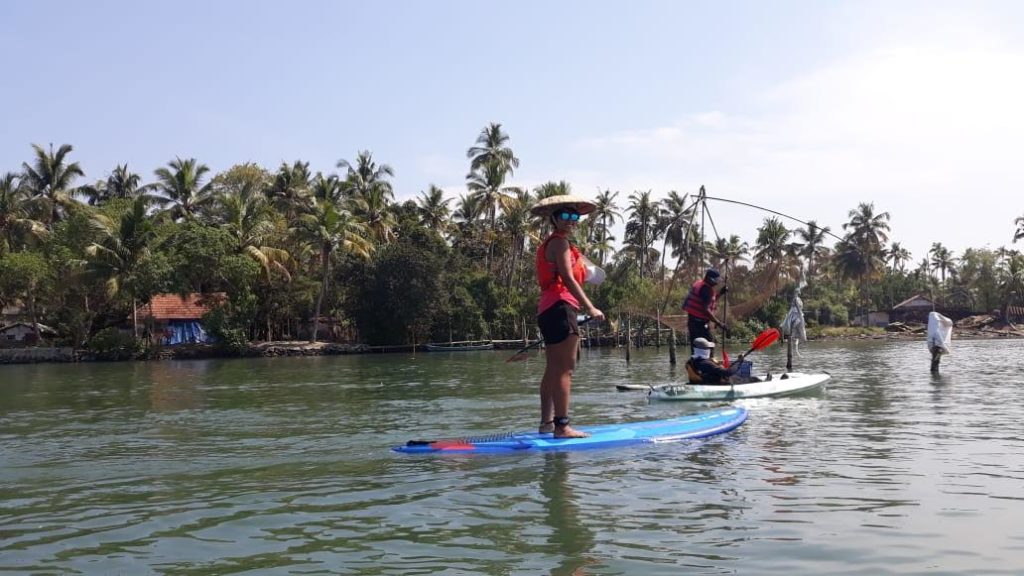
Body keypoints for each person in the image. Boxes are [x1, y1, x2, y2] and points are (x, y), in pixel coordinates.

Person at [530, 194, 606, 438]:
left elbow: (581, 273)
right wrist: (590, 307)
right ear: (554, 218)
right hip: (561, 307)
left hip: (548, 309)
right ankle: (562, 426)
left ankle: (546, 424)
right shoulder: (560, 243)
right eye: (565, 215)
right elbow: (568, 278)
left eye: (575, 216)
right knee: (565, 369)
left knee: (553, 368)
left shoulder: (553, 244)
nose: (571, 220)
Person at [682, 267, 729, 359]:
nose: (716, 282)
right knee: (708, 345)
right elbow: (705, 309)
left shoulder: (700, 284)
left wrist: (720, 293)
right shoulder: (706, 290)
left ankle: (698, 365)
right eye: (715, 280)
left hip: (692, 322)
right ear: (709, 279)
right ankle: (708, 366)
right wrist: (719, 323)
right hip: (699, 324)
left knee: (696, 346)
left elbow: (708, 301)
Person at [685, 337, 756, 384]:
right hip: (719, 384)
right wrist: (739, 363)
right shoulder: (706, 364)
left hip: (704, 382)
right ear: (705, 350)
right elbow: (727, 373)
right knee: (754, 379)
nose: (710, 350)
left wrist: (716, 363)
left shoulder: (690, 362)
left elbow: (706, 369)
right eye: (708, 348)